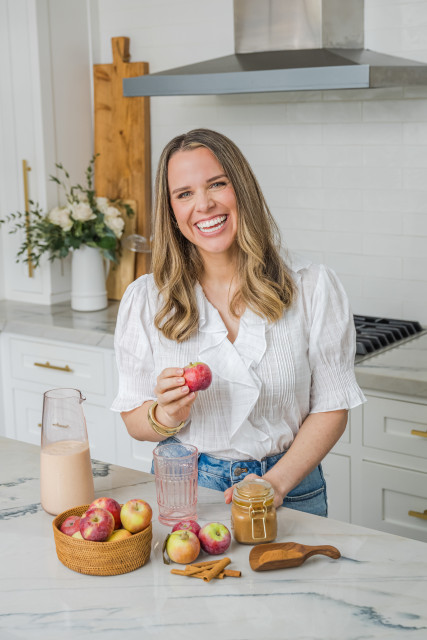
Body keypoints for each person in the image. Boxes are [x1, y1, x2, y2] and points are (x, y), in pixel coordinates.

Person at [111, 128, 365, 516]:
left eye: (217, 184)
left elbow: (332, 406)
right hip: (187, 488)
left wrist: (275, 484)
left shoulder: (312, 286)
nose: (204, 204)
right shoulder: (147, 299)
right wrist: (166, 415)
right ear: (172, 211)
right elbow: (134, 419)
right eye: (185, 194)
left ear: (241, 188)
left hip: (291, 487)